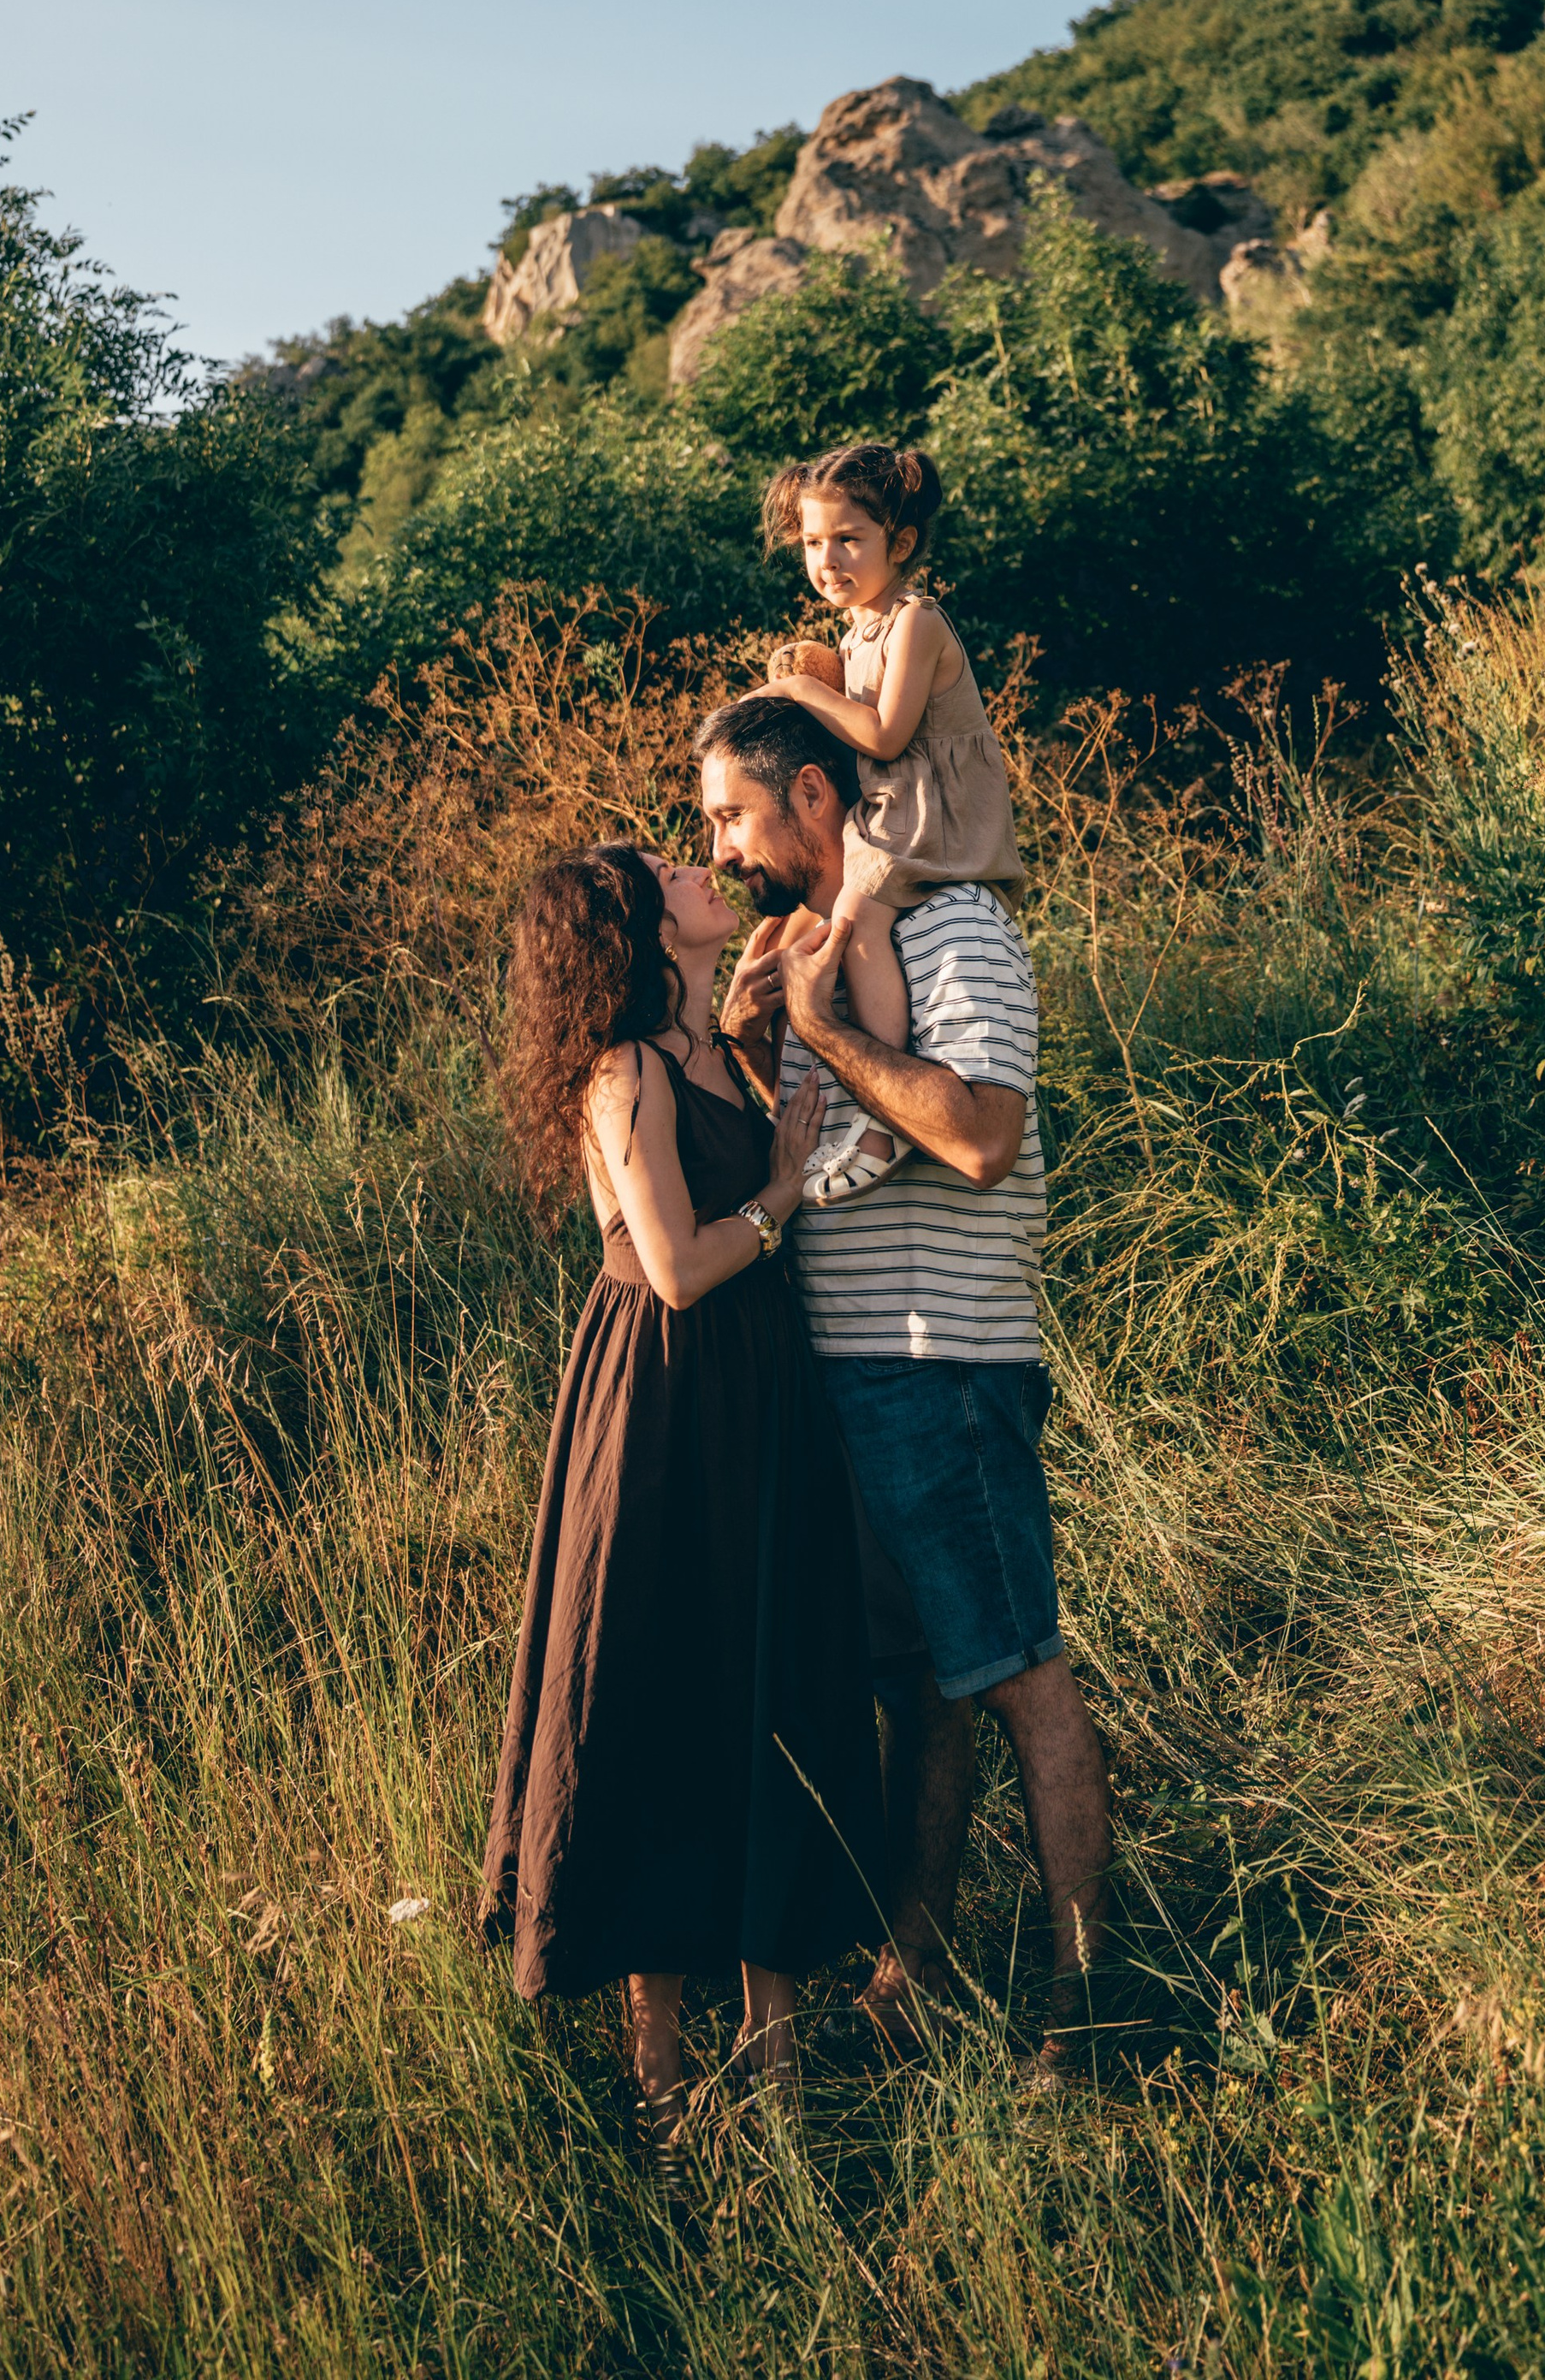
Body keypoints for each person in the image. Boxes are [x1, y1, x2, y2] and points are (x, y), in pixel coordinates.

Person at [696, 695, 1110, 2079]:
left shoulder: (955, 931)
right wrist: (771, 1045)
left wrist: (821, 1023)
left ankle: (1084, 2000)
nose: (720, 847)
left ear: (815, 799)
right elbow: (836, 1156)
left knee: (1018, 1678)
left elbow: (981, 1136)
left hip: (946, 1366)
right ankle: (911, 1970)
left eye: (733, 816)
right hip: (852, 1370)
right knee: (923, 1687)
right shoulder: (811, 952)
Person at [477, 844, 885, 2171]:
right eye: (668, 870)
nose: (701, 866)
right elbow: (672, 1267)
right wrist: (778, 1191)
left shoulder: (721, 1048)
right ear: (639, 930)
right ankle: (664, 2097)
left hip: (759, 1401)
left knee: (762, 1691)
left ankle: (774, 2086)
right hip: (658, 1411)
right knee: (656, 1694)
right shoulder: (628, 1073)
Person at [755, 441, 1026, 1205]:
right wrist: (814, 673)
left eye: (848, 539)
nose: (827, 559)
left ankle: (889, 1119)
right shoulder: (857, 631)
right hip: (890, 809)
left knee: (858, 925)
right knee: (833, 917)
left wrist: (803, 694)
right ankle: (868, 1098)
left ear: (899, 545)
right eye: (812, 543)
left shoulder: (917, 622)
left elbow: (884, 737)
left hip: (931, 814)